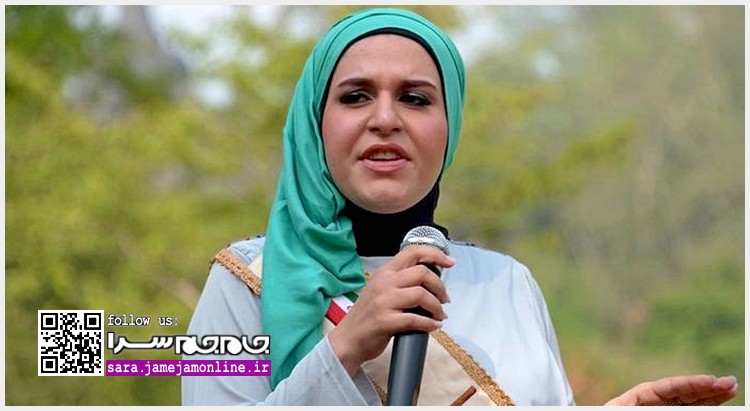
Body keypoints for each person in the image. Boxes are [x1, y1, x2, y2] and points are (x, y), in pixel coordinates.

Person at [181, 7, 738, 406]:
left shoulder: (507, 283)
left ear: (449, 129)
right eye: (355, 96)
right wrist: (347, 345)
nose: (385, 119)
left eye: (415, 98)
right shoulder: (245, 280)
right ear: (314, 123)